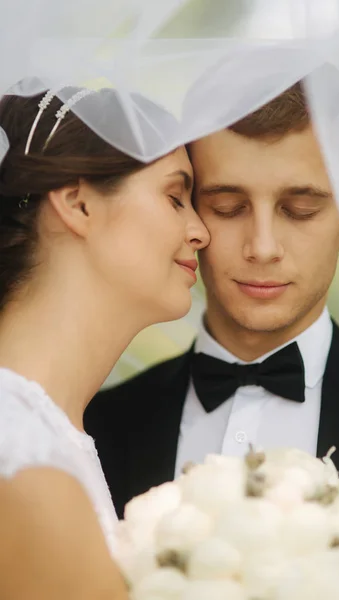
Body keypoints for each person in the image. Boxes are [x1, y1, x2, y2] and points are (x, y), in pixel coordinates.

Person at [85, 82, 339, 518]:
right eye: (228, 207)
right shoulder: (97, 425)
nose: (262, 247)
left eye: (300, 209)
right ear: (187, 210)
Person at [0, 89, 209, 599]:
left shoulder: (50, 435)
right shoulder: (23, 456)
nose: (200, 231)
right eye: (176, 198)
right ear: (78, 203)